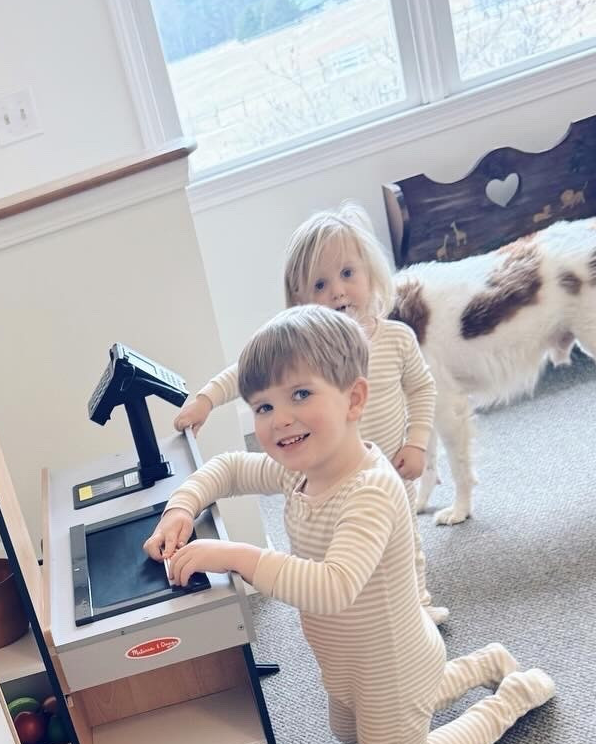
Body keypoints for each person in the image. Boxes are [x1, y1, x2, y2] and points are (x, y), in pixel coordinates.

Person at [144, 307, 554, 744]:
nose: (280, 420)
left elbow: (334, 587)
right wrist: (181, 508)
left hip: (392, 663)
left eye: (300, 395)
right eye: (263, 407)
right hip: (346, 661)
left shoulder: (370, 491)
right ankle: (482, 664)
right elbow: (229, 468)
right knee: (349, 737)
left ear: (354, 398)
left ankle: (507, 702)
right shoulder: (301, 468)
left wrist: (235, 556)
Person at [174, 200, 445, 623]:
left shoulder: (396, 339)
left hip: (390, 469)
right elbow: (247, 372)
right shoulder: (304, 358)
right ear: (300, 300)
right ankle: (355, 612)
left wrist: (418, 442)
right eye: (319, 285)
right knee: (343, 550)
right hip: (329, 473)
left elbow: (423, 389)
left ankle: (418, 607)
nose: (337, 291)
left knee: (404, 543)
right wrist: (207, 398)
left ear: (370, 273)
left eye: (347, 274)